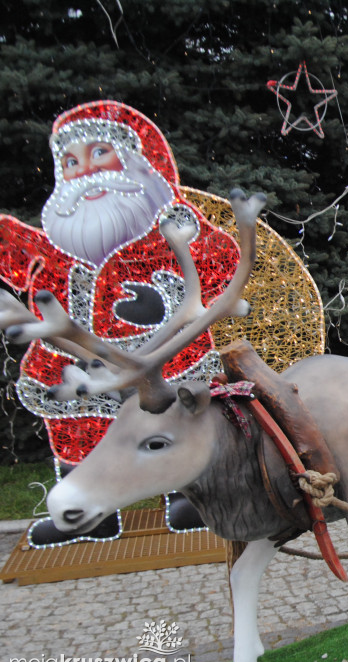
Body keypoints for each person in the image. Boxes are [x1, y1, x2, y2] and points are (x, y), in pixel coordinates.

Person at [1, 101, 240, 542]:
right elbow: (14, 250)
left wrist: (167, 294)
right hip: (74, 364)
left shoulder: (172, 227)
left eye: (99, 154)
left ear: (136, 162)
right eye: (71, 162)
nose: (86, 171)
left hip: (165, 360)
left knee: (171, 425)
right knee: (78, 434)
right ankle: (86, 511)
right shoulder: (58, 243)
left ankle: (189, 495)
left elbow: (221, 260)